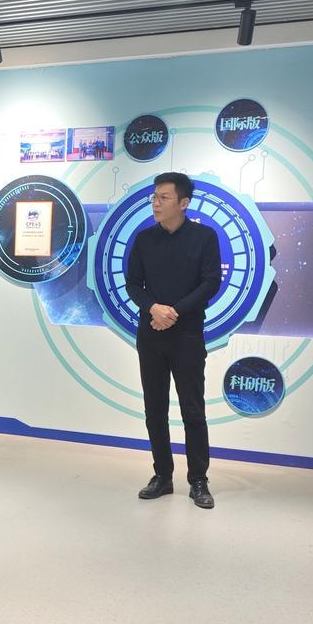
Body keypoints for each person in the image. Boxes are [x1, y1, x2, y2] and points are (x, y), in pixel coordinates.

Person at [125, 172, 222, 509]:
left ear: (183, 203)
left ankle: (199, 480)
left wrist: (174, 312)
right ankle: (162, 476)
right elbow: (133, 283)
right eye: (154, 197)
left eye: (164, 197)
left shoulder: (204, 237)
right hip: (150, 333)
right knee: (154, 409)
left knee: (193, 410)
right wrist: (153, 308)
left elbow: (210, 283)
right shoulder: (143, 239)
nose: (156, 203)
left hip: (187, 335)